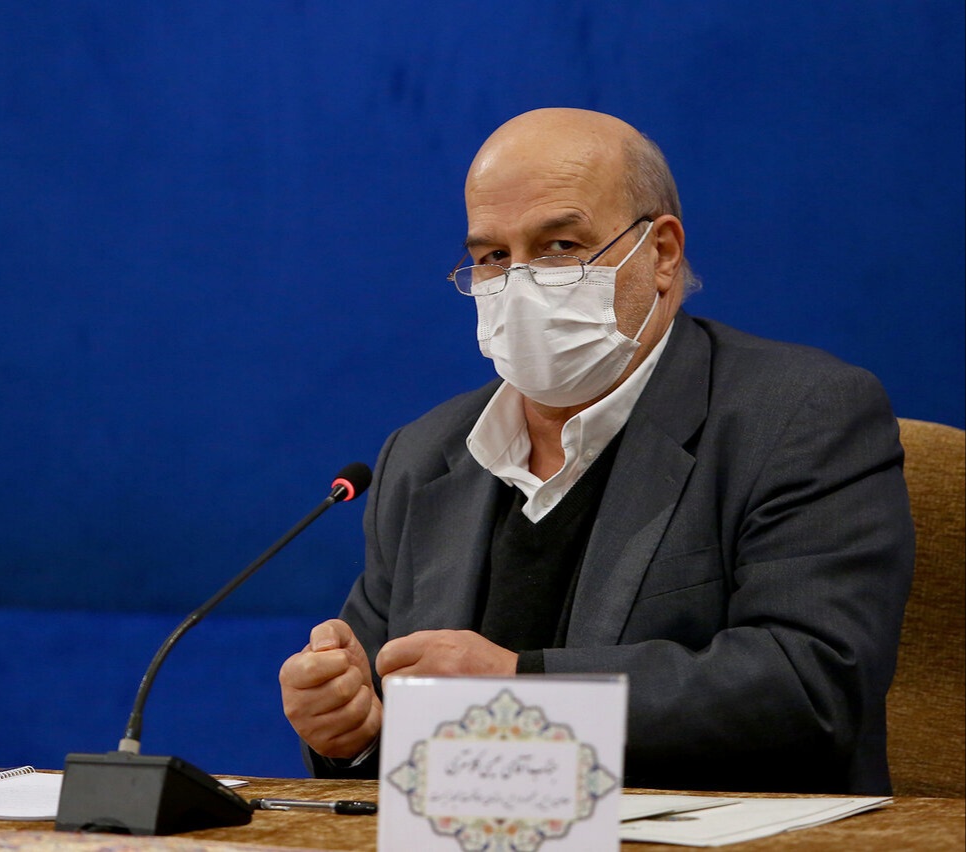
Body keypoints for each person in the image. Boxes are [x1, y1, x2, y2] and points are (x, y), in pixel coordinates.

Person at [278, 108, 914, 794]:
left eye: (558, 246)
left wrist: (519, 686)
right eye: (492, 258)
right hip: (483, 833)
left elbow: (810, 684)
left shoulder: (799, 416)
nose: (519, 283)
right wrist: (354, 733)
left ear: (661, 254)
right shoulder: (423, 455)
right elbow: (389, 726)